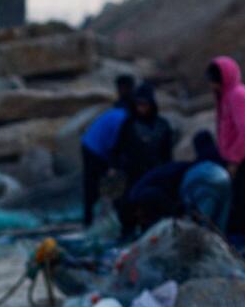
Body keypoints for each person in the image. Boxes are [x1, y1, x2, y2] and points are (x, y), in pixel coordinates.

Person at [208, 56, 245, 242]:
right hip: (237, 160)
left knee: (239, 214)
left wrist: (234, 159)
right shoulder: (227, 95)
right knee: (233, 211)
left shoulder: (237, 96)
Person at [113, 82, 175, 237]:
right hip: (132, 174)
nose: (142, 108)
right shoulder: (129, 124)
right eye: (138, 104)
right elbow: (119, 148)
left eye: (145, 104)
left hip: (154, 175)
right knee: (128, 209)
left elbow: (167, 153)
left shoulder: (162, 126)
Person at [80, 75, 136, 227]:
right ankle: (94, 219)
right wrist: (113, 166)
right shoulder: (122, 118)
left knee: (101, 183)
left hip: (91, 142)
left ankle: (96, 217)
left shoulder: (120, 111)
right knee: (98, 184)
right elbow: (114, 146)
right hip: (94, 148)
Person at [180, 130, 233, 231]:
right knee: (220, 220)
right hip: (222, 178)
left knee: (201, 220)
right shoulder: (220, 154)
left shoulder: (199, 159)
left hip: (196, 179)